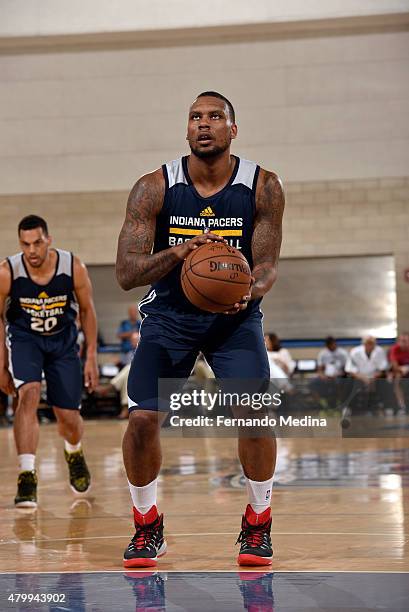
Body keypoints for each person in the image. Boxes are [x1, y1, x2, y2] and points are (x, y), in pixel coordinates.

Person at [116, 91, 285, 568]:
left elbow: (268, 265)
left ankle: (258, 522)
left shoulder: (264, 185)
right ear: (186, 129)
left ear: (233, 129)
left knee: (254, 414)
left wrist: (249, 291)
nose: (203, 124)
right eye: (195, 117)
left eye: (215, 117)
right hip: (170, 318)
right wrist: (180, 252)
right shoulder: (153, 187)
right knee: (142, 420)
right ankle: (148, 526)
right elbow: (126, 272)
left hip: (234, 319)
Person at [0, 215, 99, 508]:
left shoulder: (73, 267)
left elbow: (87, 310)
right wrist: (1, 363)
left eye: (37, 242)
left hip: (62, 341)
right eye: (25, 244)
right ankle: (27, 476)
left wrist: (91, 356)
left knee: (67, 417)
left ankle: (74, 451)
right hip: (25, 339)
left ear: (48, 239)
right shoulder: (8, 271)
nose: (31, 250)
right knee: (27, 395)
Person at [95, 331, 140, 419]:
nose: (133, 342)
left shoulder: (145, 352)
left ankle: (110, 387)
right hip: (131, 378)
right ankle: (125, 407)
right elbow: (121, 362)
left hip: (143, 377)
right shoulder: (129, 353)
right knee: (128, 376)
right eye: (132, 341)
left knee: (129, 369)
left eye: (135, 340)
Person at [345, 335, 388, 414]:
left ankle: (380, 407)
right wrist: (364, 378)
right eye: (368, 343)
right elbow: (350, 369)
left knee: (385, 382)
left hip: (375, 377)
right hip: (359, 376)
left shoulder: (380, 351)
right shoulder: (355, 352)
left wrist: (373, 378)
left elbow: (382, 369)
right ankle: (349, 407)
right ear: (364, 344)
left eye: (372, 343)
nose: (370, 346)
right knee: (348, 382)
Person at [310, 336, 348, 409]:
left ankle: (341, 403)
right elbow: (319, 369)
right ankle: (321, 404)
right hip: (326, 376)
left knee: (343, 383)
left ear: (335, 343)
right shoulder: (323, 353)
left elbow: (347, 369)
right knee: (312, 384)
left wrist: (339, 375)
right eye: (328, 345)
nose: (331, 346)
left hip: (339, 375)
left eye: (332, 344)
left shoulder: (343, 353)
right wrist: (322, 376)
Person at [389, 332, 409, 415]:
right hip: (399, 371)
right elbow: (394, 365)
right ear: (398, 341)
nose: (404, 343)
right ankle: (402, 405)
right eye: (402, 341)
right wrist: (402, 369)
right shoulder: (395, 349)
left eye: (406, 341)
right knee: (397, 378)